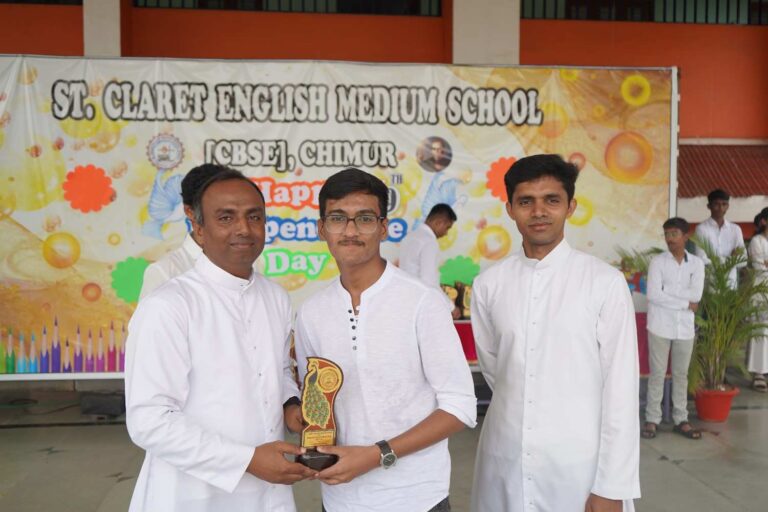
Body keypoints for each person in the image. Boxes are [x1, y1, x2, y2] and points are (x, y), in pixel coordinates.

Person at [125, 170, 314, 512]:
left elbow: (280, 370)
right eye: (226, 217)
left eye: (254, 217)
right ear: (198, 229)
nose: (243, 229)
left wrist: (291, 405)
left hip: (268, 491)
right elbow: (149, 420)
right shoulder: (168, 305)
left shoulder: (275, 297)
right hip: (191, 493)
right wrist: (247, 460)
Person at [294, 168, 476, 512]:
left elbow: (460, 406)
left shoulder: (422, 302)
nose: (350, 231)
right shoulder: (311, 313)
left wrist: (377, 454)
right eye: (337, 218)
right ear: (321, 228)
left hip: (417, 498)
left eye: (364, 219)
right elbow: (317, 402)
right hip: (341, 498)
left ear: (383, 227)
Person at [470, 154, 640, 512]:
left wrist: (612, 486)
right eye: (526, 201)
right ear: (510, 209)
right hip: (504, 458)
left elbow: (621, 391)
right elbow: (497, 371)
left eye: (551, 200)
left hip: (579, 465)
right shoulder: (489, 285)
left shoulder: (604, 283)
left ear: (570, 206)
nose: (539, 212)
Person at [642, 217, 705, 440]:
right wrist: (685, 303)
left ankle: (681, 419)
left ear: (685, 236)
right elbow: (653, 295)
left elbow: (696, 295)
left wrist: (669, 294)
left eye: (674, 234)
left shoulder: (696, 264)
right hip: (659, 326)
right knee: (657, 374)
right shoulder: (657, 262)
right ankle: (652, 419)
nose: (669, 239)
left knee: (681, 375)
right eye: (667, 234)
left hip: (685, 329)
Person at [139, 163, 228, 300]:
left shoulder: (248, 263)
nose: (228, 216)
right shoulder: (164, 272)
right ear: (190, 211)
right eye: (216, 206)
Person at [399, 203, 460, 318]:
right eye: (447, 228)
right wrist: (450, 307)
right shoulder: (429, 242)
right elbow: (428, 280)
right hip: (421, 304)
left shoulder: (409, 237)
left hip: (405, 301)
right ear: (438, 222)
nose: (446, 233)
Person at [694, 189, 746, 289]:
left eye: (724, 204)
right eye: (716, 204)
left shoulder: (735, 229)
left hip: (731, 284)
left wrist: (715, 258)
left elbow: (743, 260)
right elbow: (701, 259)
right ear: (709, 206)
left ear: (728, 206)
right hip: (710, 284)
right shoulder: (701, 229)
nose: (720, 208)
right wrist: (730, 259)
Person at [747, 209, 768, 392]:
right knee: (761, 331)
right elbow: (760, 267)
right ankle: (758, 373)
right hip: (761, 292)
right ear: (764, 222)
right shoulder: (757, 241)